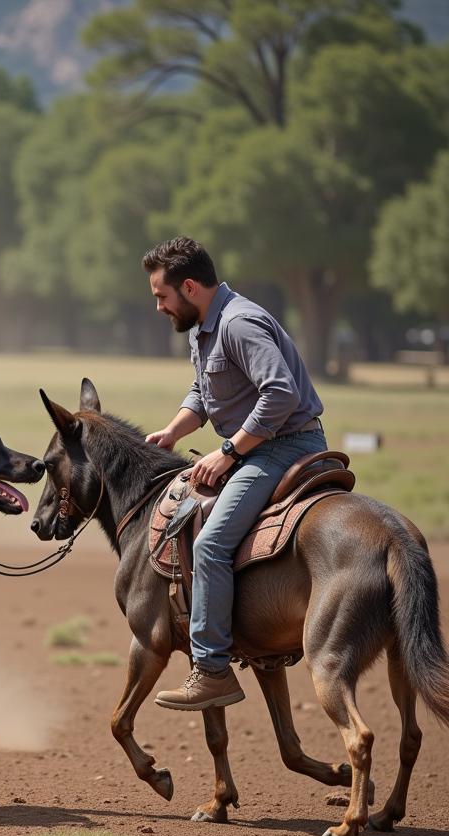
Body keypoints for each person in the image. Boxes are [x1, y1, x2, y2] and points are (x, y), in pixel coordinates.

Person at [142, 236, 327, 712]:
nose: (159, 306)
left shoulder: (239, 324)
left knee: (211, 543)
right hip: (258, 445)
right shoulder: (204, 326)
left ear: (189, 287)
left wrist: (227, 452)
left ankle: (211, 668)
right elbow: (202, 394)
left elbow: (280, 394)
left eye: (162, 296)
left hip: (283, 446)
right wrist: (172, 432)